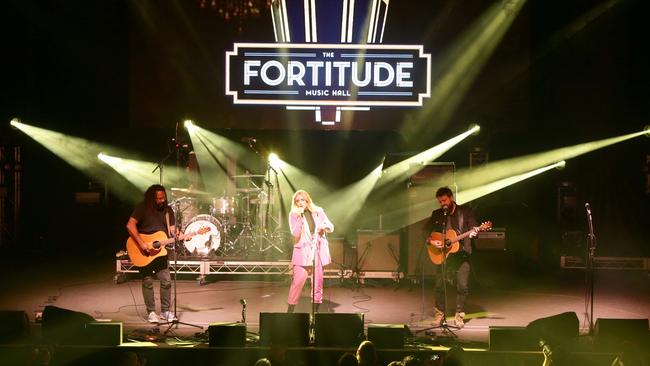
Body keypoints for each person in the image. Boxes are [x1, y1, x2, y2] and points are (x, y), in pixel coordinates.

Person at [426, 187, 477, 329]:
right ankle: (439, 313)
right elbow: (426, 231)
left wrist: (474, 233)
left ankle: (459, 314)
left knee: (462, 286)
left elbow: (473, 227)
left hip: (461, 254)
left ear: (451, 198)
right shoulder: (437, 214)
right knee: (439, 285)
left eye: (445, 200)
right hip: (443, 255)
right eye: (440, 201)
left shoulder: (465, 212)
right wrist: (431, 241)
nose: (442, 203)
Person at [126, 184, 177, 323]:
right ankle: (151, 312)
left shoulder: (168, 211)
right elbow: (130, 225)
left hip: (161, 252)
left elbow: (172, 230)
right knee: (148, 281)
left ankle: (165, 312)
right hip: (144, 251)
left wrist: (181, 235)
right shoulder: (142, 207)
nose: (162, 200)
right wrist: (141, 243)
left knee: (166, 281)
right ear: (151, 198)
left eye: (163, 197)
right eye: (158, 198)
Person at [286, 190, 333, 313]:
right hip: (302, 253)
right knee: (297, 283)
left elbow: (330, 226)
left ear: (307, 200)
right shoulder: (294, 215)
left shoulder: (318, 211)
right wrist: (300, 217)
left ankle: (315, 313)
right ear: (295, 203)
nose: (301, 203)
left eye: (303, 200)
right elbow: (295, 233)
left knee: (317, 283)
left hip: (316, 251)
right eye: (298, 201)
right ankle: (289, 312)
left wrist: (324, 227)